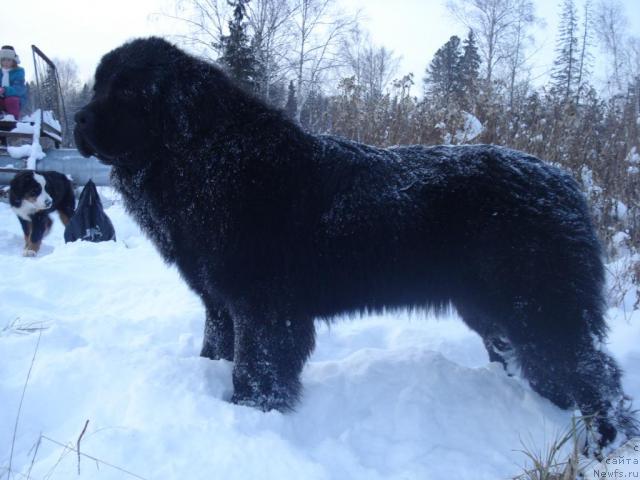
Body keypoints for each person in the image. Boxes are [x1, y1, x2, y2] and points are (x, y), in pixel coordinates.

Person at [0, 45, 27, 120]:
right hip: (1, 98)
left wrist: (5, 90)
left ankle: (13, 120)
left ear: (13, 61)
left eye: (9, 60)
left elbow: (19, 88)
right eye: (3, 60)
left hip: (16, 98)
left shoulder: (18, 72)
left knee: (11, 100)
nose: (6, 62)